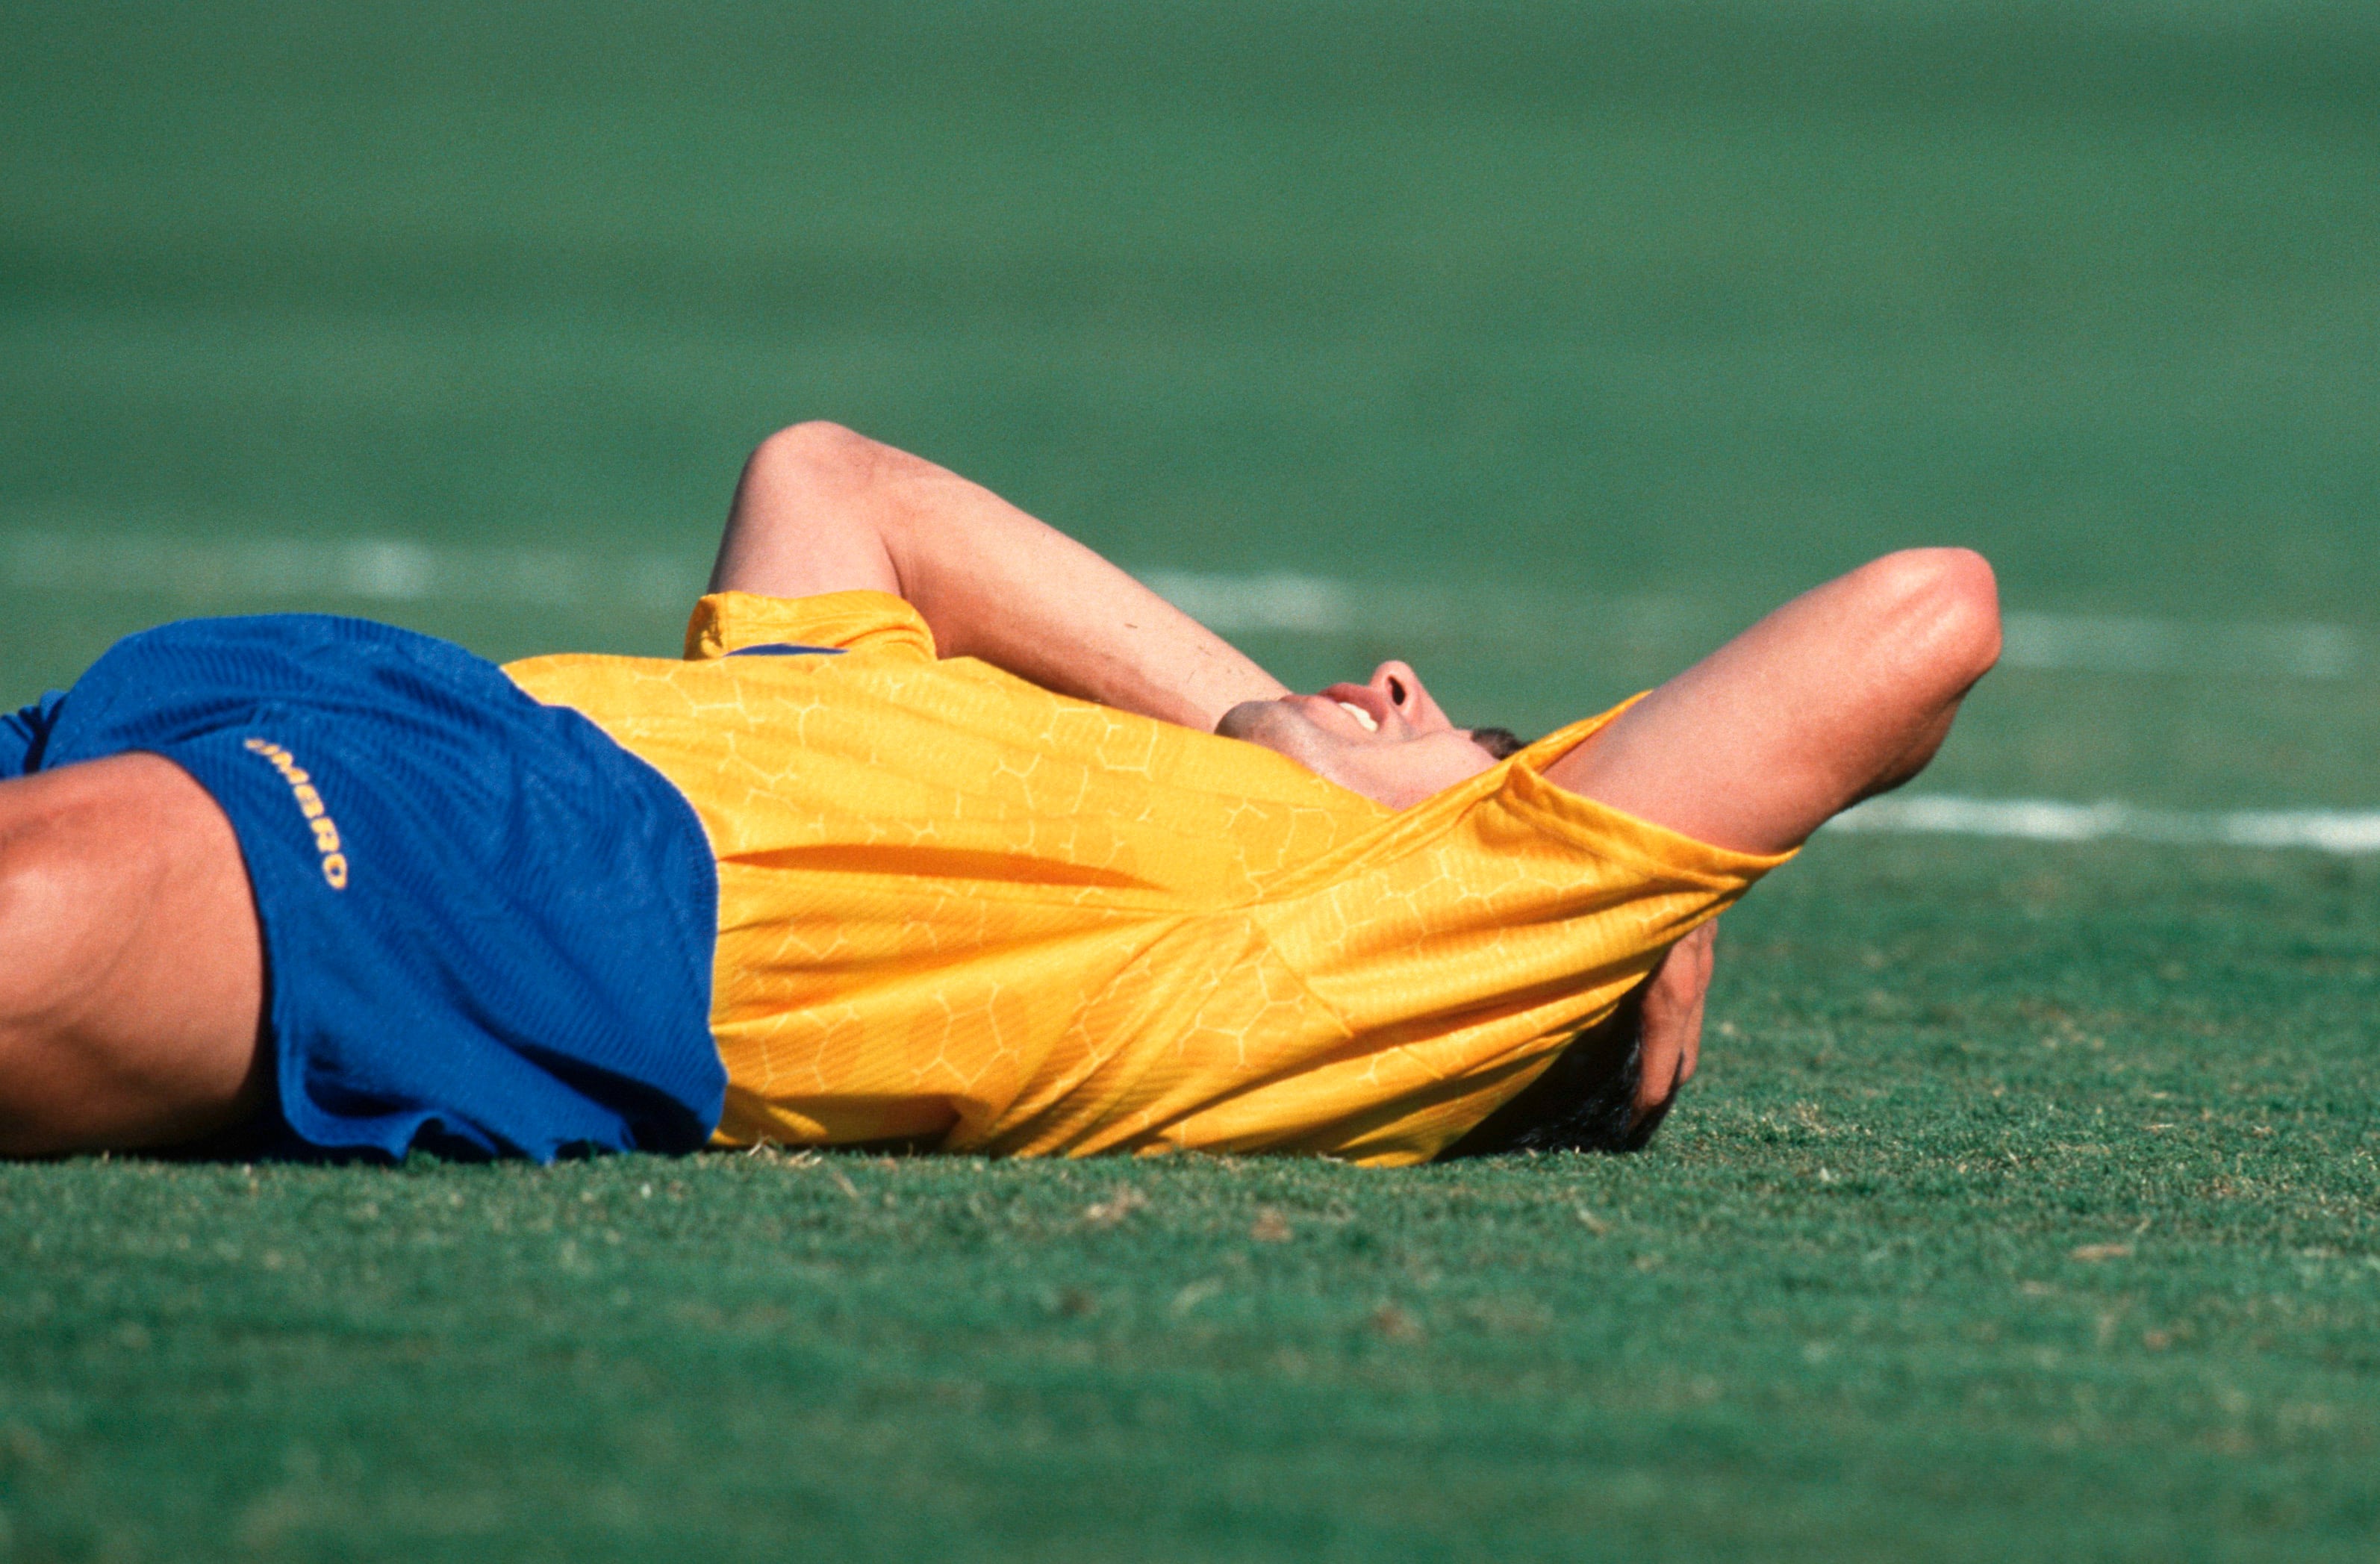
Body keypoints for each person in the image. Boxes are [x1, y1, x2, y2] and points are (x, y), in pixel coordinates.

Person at [0, 423, 2001, 1164]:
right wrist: (1253, 722)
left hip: (555, 888)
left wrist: (1651, 908)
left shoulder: (1383, 947)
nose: (1400, 680)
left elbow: (1918, 623)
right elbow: (833, 485)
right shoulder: (1051, 765)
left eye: (1474, 743)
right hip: (363, 706)